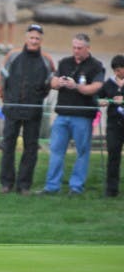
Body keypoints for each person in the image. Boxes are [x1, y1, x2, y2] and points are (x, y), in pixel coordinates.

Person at [40, 33, 105, 195]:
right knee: (56, 150)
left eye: (79, 48)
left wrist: (76, 86)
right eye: (74, 47)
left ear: (88, 48)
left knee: (82, 152)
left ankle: (76, 187)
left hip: (83, 116)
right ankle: (52, 186)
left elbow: (95, 87)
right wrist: (59, 83)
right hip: (62, 115)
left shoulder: (96, 66)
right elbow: (52, 83)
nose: (76, 51)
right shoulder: (64, 63)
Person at [0, 24, 55, 195]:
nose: (34, 40)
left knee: (31, 148)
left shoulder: (47, 60)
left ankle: (24, 185)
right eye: (31, 37)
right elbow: (2, 80)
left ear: (41, 40)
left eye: (37, 38)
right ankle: (6, 183)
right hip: (12, 108)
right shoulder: (12, 55)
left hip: (34, 111)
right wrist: (6, 100)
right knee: (8, 146)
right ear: (26, 38)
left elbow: (49, 85)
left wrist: (37, 98)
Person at [98, 54, 124, 197]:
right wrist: (102, 101)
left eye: (120, 70)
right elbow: (98, 97)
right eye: (116, 70)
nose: (118, 73)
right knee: (113, 155)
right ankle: (111, 189)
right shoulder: (108, 84)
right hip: (114, 126)